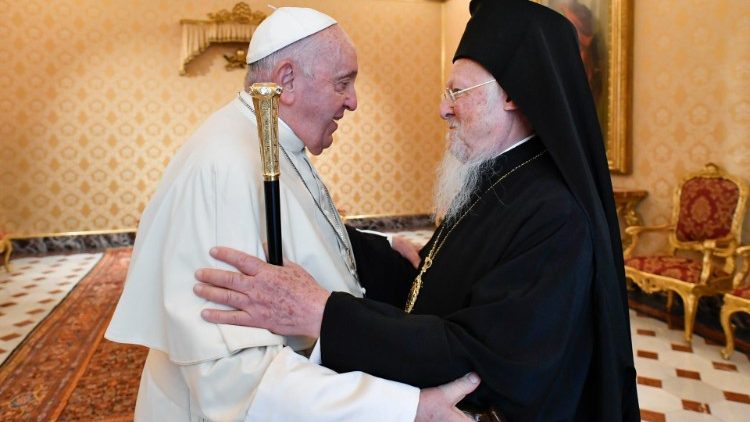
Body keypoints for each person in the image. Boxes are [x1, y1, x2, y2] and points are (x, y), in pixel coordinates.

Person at [193, 1, 640, 420]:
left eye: (457, 91)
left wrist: (323, 313)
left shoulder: (555, 216)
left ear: (513, 97)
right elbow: (435, 287)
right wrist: (342, 236)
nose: (442, 108)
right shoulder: (497, 178)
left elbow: (477, 354)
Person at [105, 6, 476, 421]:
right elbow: (232, 378)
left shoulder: (268, 141)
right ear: (287, 80)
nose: (353, 102)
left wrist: (386, 246)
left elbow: (302, 230)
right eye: (343, 83)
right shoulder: (225, 167)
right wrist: (409, 408)